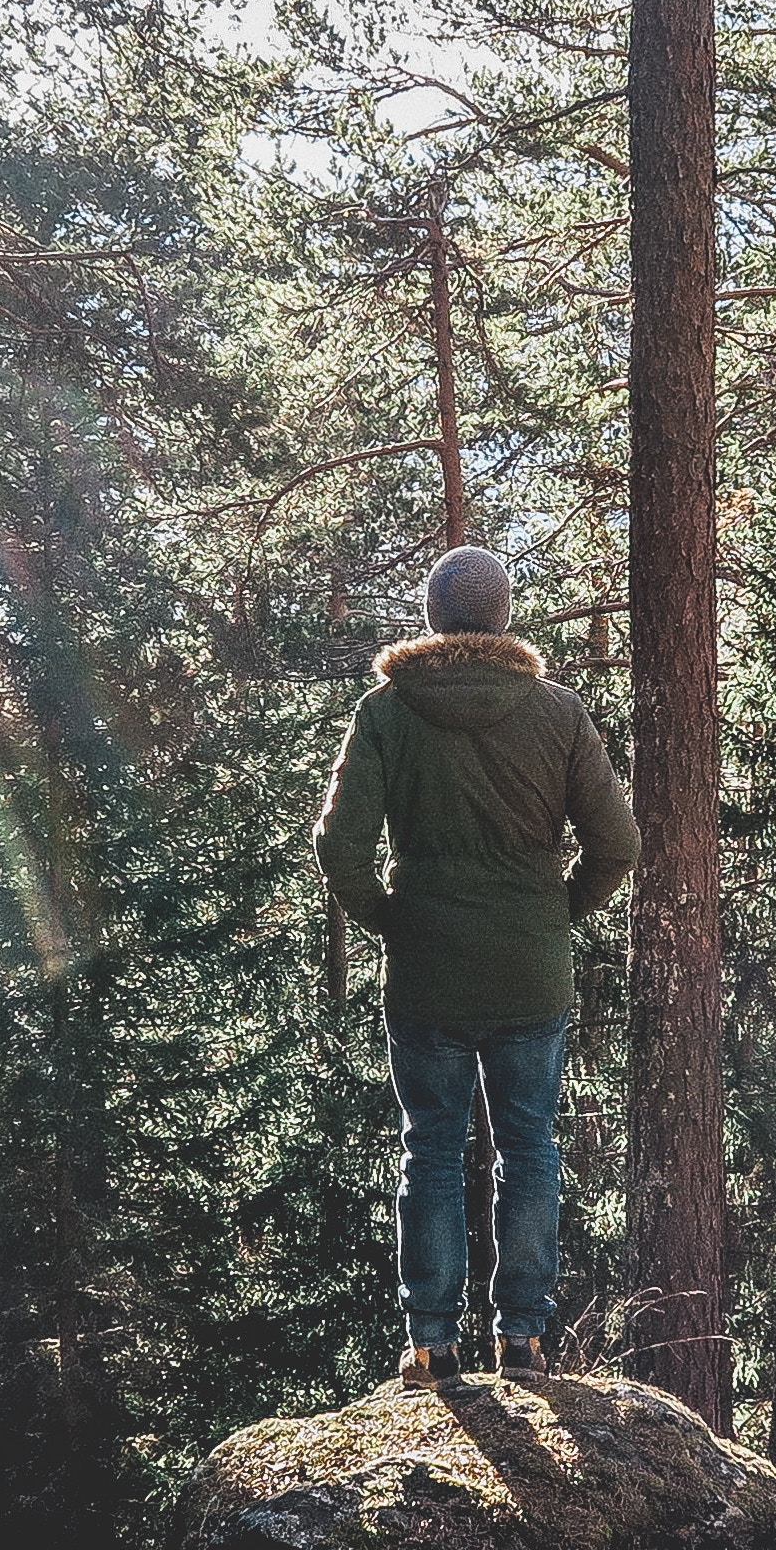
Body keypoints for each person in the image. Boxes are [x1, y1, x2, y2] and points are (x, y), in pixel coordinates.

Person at [313, 543, 635, 1387]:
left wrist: (392, 920)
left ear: (432, 615)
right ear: (500, 617)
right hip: (530, 970)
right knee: (528, 1147)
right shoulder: (557, 711)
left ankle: (430, 1342)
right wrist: (555, 911)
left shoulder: (386, 711)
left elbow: (336, 846)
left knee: (430, 1148)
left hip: (427, 973)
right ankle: (522, 1339)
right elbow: (618, 845)